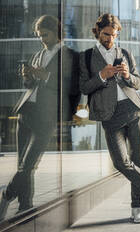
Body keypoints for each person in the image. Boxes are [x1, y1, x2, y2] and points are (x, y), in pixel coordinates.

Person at [79, 13, 140, 223]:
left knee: (138, 160)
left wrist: (128, 76)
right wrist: (102, 76)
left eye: (113, 35)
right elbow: (84, 86)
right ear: (97, 32)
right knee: (121, 162)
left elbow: (138, 83)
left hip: (134, 110)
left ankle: (138, 209)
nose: (109, 39)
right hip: (109, 115)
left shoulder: (125, 52)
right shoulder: (86, 57)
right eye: (105, 34)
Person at [0, 15, 80, 220]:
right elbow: (31, 87)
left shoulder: (70, 55)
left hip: (46, 116)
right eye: (39, 36)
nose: (42, 39)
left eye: (45, 35)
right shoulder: (38, 55)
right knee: (22, 164)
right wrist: (28, 77)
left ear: (56, 31)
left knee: (29, 164)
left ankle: (6, 195)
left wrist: (46, 76)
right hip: (26, 112)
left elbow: (70, 87)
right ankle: (25, 206)